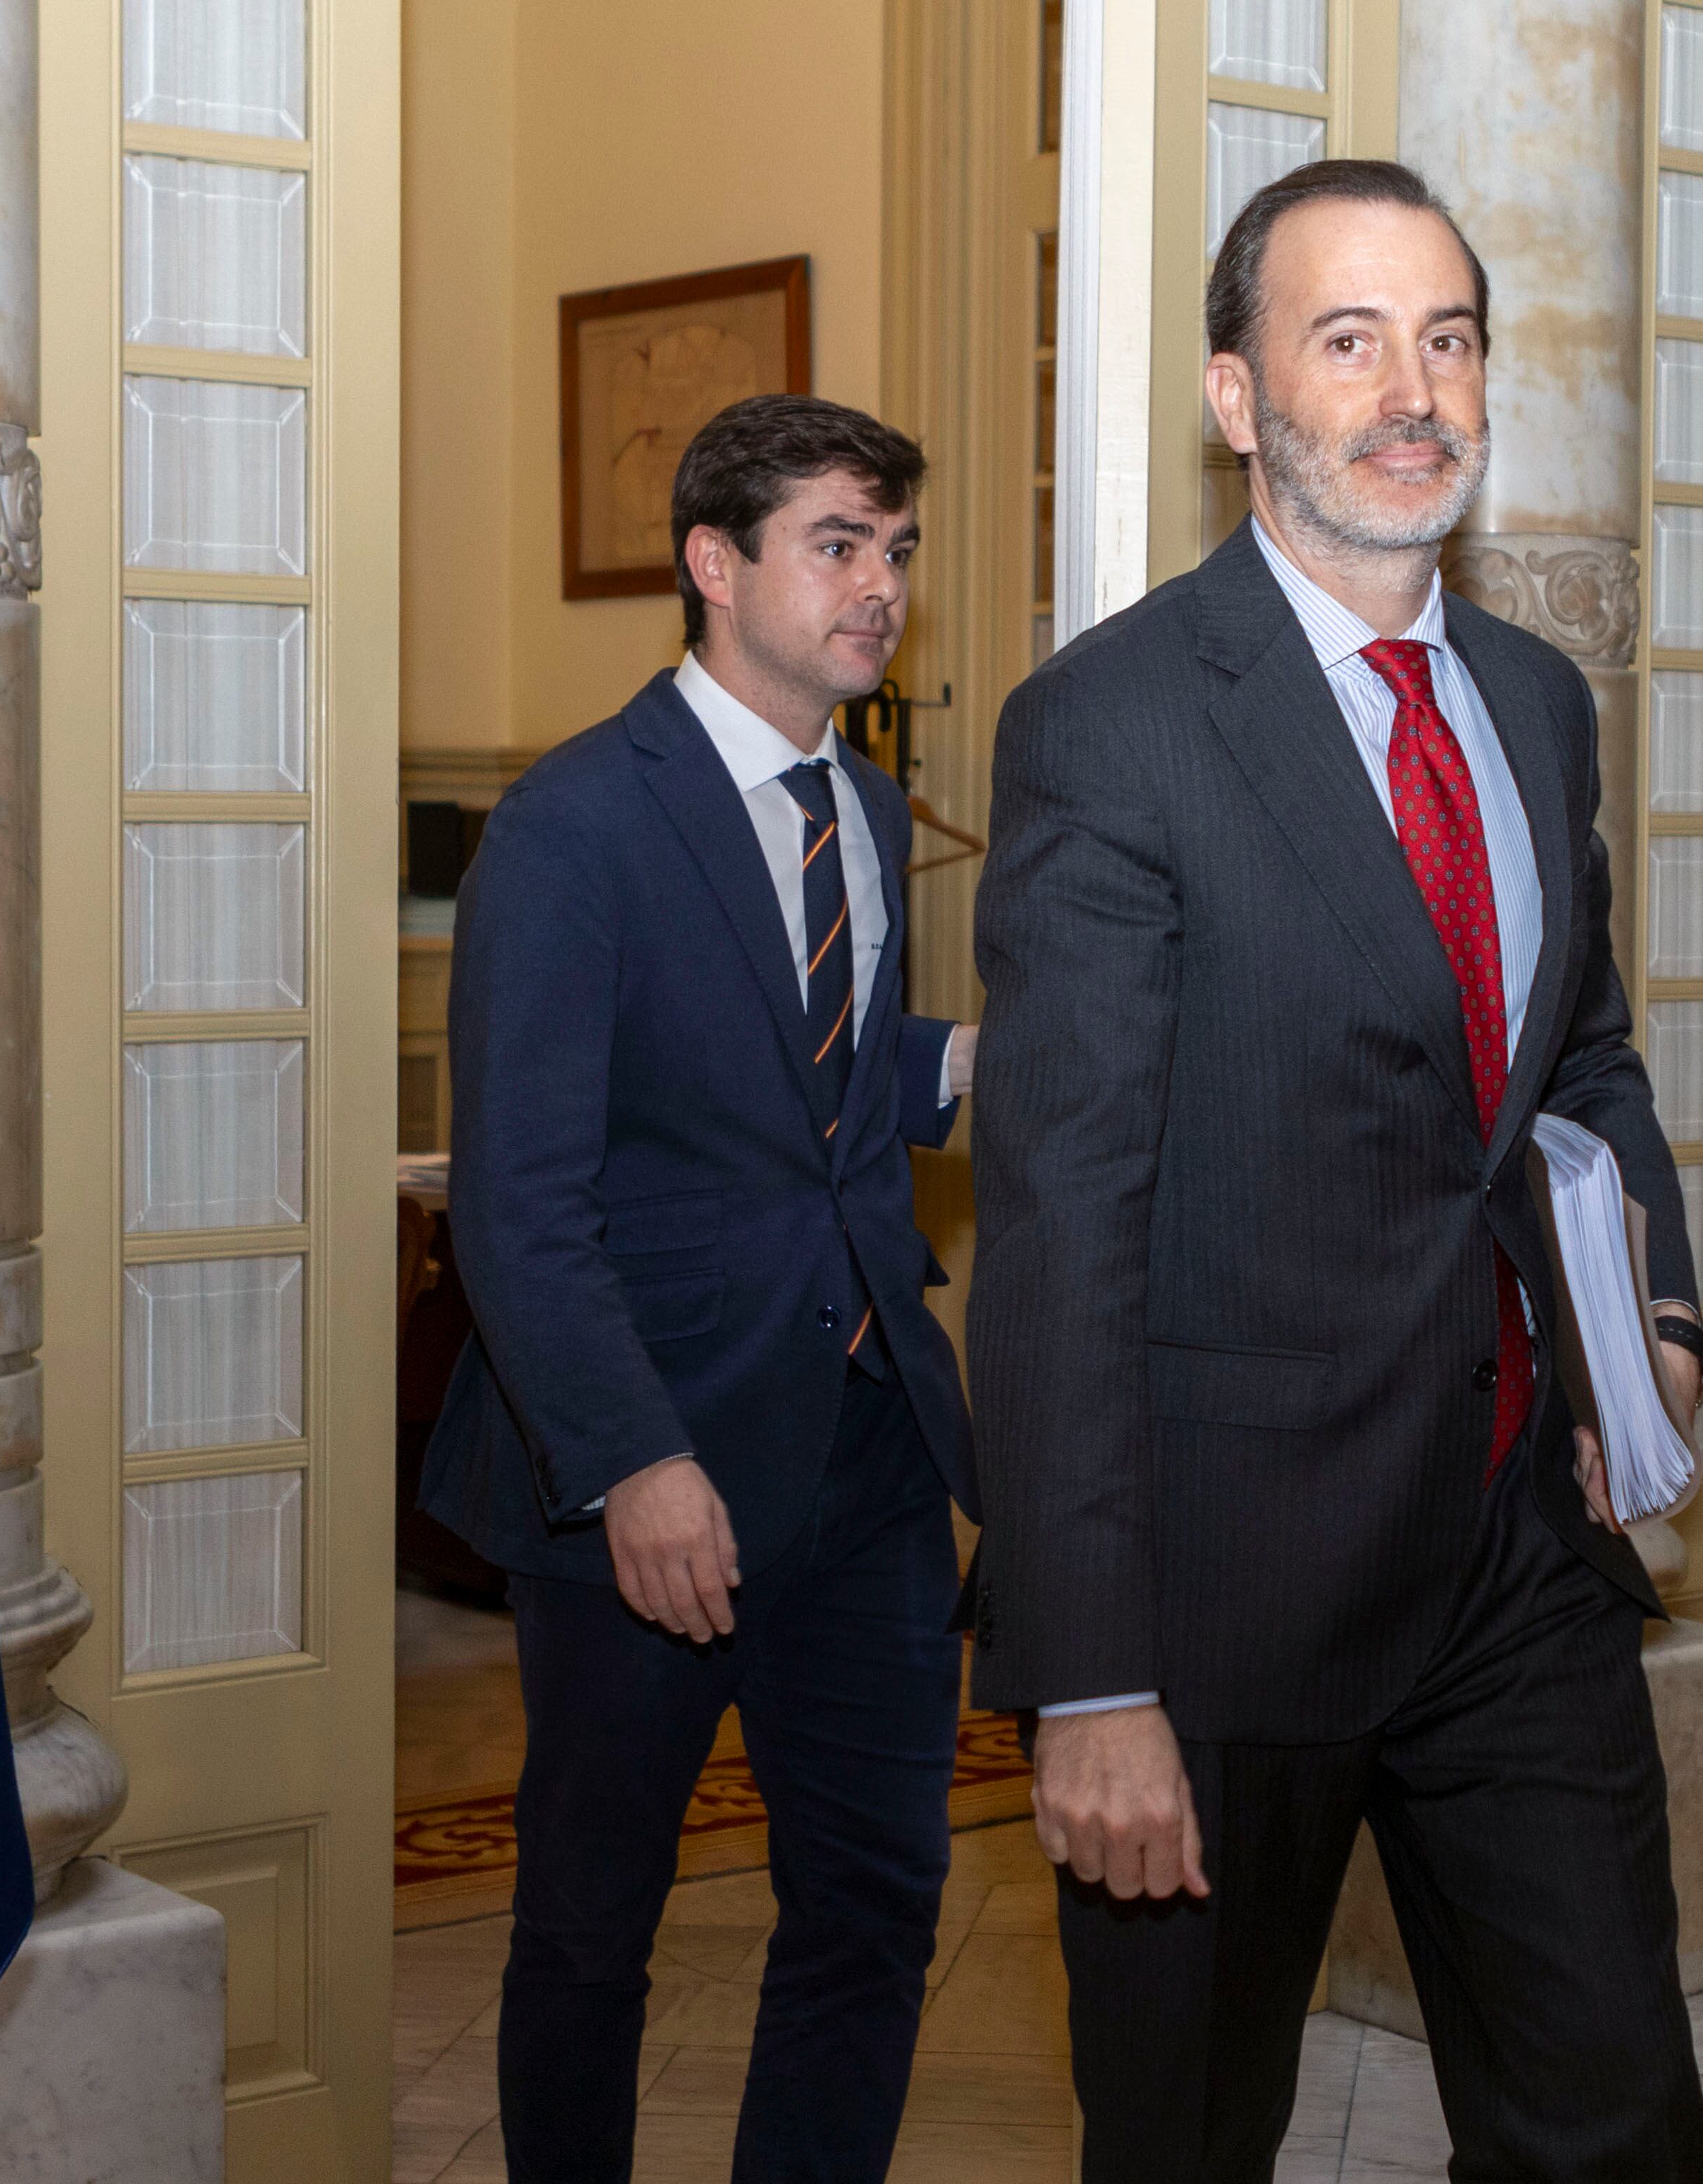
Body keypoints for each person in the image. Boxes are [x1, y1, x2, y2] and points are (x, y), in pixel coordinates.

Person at [966, 160, 1703, 2180]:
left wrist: (1650, 1331)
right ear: (1237, 399)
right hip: (1217, 1603)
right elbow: (1058, 1228)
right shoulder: (1111, 729)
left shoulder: (1543, 710)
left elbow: (1587, 1060)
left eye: (1450, 338)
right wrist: (1092, 1675)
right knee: (1192, 2139)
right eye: (1351, 337)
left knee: (1613, 2121)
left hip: (1514, 1558)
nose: (1416, 390)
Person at [422, 394, 981, 2183]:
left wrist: (985, 1060)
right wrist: (630, 1461)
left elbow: (798, 1076)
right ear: (712, 562)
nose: (880, 584)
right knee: (591, 1927)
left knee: (873, 1905)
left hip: (869, 1446)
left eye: (895, 548)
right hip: (643, 1477)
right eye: (838, 543)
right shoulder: (574, 823)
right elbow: (518, 1194)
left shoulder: (868, 808)